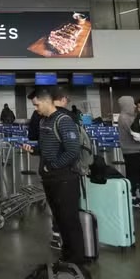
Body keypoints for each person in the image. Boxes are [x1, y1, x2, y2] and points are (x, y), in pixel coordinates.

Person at [23, 88, 86, 265]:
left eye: (37, 105)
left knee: (69, 219)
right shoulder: (44, 122)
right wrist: (34, 150)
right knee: (59, 218)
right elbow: (47, 148)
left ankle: (77, 260)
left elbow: (73, 151)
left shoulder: (63, 120)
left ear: (46, 101)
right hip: (49, 178)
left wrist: (54, 166)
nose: (36, 109)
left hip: (65, 178)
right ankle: (67, 256)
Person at [116, 96, 140, 205]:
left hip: (135, 149)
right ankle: (131, 196)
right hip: (131, 150)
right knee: (134, 173)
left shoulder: (130, 117)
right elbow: (133, 131)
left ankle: (133, 194)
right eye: (132, 104)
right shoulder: (125, 118)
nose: (134, 106)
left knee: (138, 172)